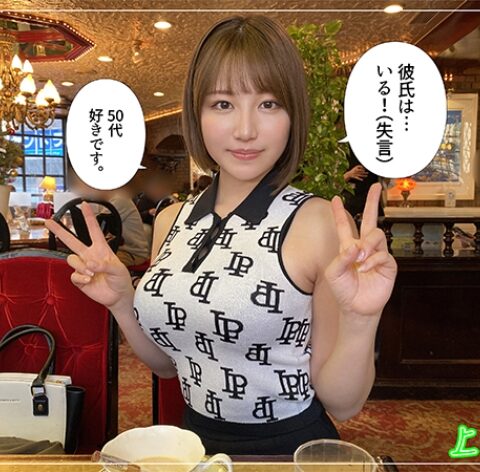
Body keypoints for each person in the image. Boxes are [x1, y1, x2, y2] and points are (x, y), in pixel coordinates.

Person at [46, 16, 397, 455]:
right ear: (198, 113)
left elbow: (342, 404)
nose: (246, 129)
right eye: (223, 103)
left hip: (285, 452)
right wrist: (121, 302)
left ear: (293, 115)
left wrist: (362, 320)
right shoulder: (172, 219)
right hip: (193, 447)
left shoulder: (317, 222)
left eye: (269, 103)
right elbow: (167, 364)